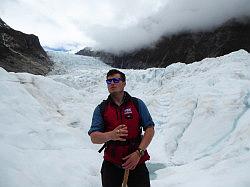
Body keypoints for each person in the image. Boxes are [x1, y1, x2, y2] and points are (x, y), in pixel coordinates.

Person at [88, 69, 155, 187]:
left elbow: (149, 129)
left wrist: (139, 153)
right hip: (112, 163)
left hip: (137, 161)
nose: (112, 83)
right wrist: (111, 135)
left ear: (124, 83)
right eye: (109, 81)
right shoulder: (101, 109)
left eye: (116, 80)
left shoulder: (137, 104)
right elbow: (94, 137)